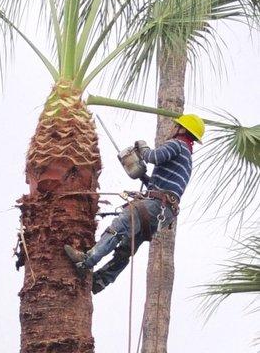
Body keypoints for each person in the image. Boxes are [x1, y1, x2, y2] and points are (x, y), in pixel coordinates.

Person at [64, 114, 205, 294]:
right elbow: (168, 186)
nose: (173, 128)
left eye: (175, 125)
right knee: (127, 247)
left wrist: (142, 147)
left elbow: (154, 156)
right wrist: (145, 178)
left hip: (157, 206)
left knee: (120, 225)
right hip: (164, 212)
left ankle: (86, 261)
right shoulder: (187, 156)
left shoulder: (177, 144)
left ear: (182, 129)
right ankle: (100, 280)